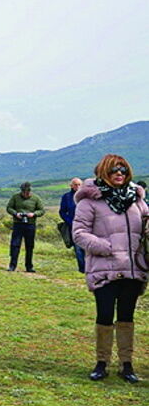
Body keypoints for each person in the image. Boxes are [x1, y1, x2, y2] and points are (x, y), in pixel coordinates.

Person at [72, 155, 148, 383]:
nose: (120, 174)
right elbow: (79, 233)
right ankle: (101, 363)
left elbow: (146, 224)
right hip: (104, 268)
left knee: (127, 317)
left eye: (124, 171)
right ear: (104, 172)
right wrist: (107, 247)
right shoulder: (89, 202)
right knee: (104, 315)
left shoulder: (136, 200)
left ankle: (127, 365)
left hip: (133, 269)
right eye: (115, 170)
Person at [6, 181, 45, 272]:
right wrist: (15, 214)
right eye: (24, 192)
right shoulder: (15, 197)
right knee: (15, 245)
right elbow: (9, 208)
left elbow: (42, 210)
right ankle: (12, 265)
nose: (26, 194)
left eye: (28, 192)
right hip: (18, 224)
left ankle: (29, 266)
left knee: (30, 246)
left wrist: (34, 214)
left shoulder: (36, 198)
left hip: (30, 225)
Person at [60, 177, 86, 273]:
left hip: (87, 225)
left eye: (79, 184)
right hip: (74, 226)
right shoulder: (66, 197)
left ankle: (90, 267)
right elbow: (62, 212)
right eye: (75, 184)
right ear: (71, 186)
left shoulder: (86, 196)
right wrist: (70, 222)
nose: (78, 186)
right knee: (78, 248)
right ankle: (82, 269)